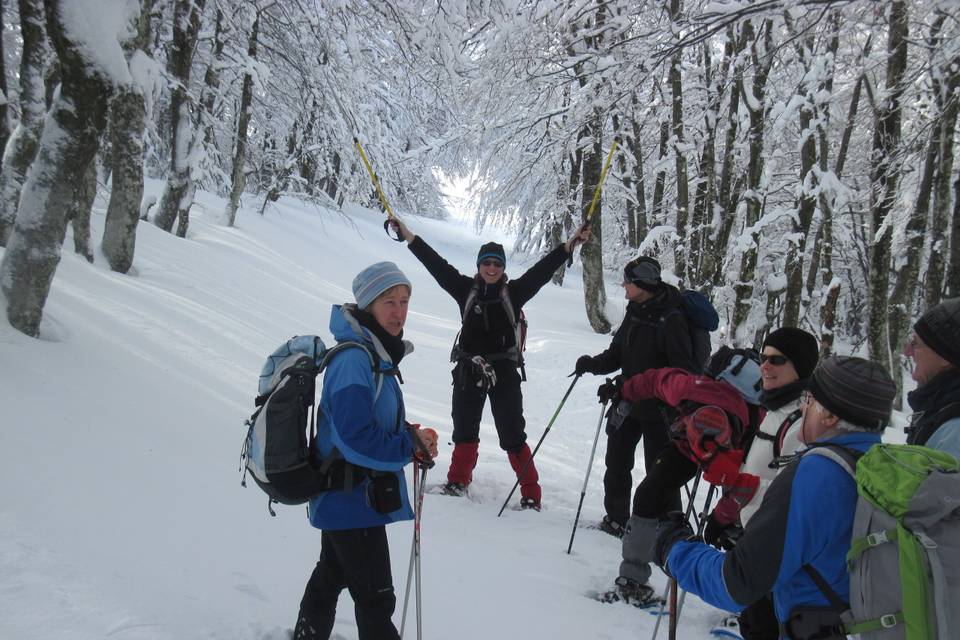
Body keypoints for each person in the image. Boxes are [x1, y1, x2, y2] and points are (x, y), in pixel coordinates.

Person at [653, 356, 896, 638]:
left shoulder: (817, 474)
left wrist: (675, 549)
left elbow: (737, 583)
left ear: (829, 416)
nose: (804, 408)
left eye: (809, 399)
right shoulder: (885, 469)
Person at [389, 218, 590, 510]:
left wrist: (569, 245)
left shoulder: (515, 292)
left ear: (503, 267)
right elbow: (436, 264)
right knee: (464, 430)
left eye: (497, 263)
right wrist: (407, 236)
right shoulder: (465, 289)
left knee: (512, 435)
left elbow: (543, 271)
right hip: (469, 369)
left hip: (505, 372)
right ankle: (458, 481)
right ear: (479, 265)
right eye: (487, 263)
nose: (492, 268)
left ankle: (531, 495)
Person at [293, 261, 439, 640]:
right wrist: (408, 445)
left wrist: (410, 436)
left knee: (332, 573)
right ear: (368, 305)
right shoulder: (355, 359)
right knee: (376, 599)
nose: (398, 311)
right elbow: (354, 437)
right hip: (349, 498)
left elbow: (370, 422)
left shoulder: (376, 356)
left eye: (404, 301)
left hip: (352, 498)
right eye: (388, 301)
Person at [600, 348, 763, 607]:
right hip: (696, 447)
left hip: (708, 451)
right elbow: (655, 381)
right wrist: (627, 391)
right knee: (650, 498)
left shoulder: (695, 392)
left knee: (649, 498)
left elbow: (656, 380)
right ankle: (745, 602)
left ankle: (633, 579)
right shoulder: (695, 392)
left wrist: (626, 391)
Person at [702, 328, 819, 640]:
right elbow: (756, 476)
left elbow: (795, 498)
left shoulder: (802, 423)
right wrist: (725, 515)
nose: (765, 366)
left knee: (764, 626)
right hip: (754, 536)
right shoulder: (773, 409)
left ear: (801, 367)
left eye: (776, 360)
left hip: (778, 550)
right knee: (753, 623)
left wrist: (738, 490)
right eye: (763, 358)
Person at [572, 256, 700, 537]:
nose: (624, 285)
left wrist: (663, 397)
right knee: (616, 463)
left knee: (662, 472)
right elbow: (619, 353)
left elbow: (683, 372)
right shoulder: (635, 310)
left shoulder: (672, 318)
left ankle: (665, 530)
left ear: (642, 283)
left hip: (659, 411)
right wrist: (592, 364)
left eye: (628, 281)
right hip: (628, 402)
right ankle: (617, 520)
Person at [905, 297, 960, 458]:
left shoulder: (954, 433)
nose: (907, 352)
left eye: (915, 344)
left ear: (945, 356)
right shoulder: (941, 407)